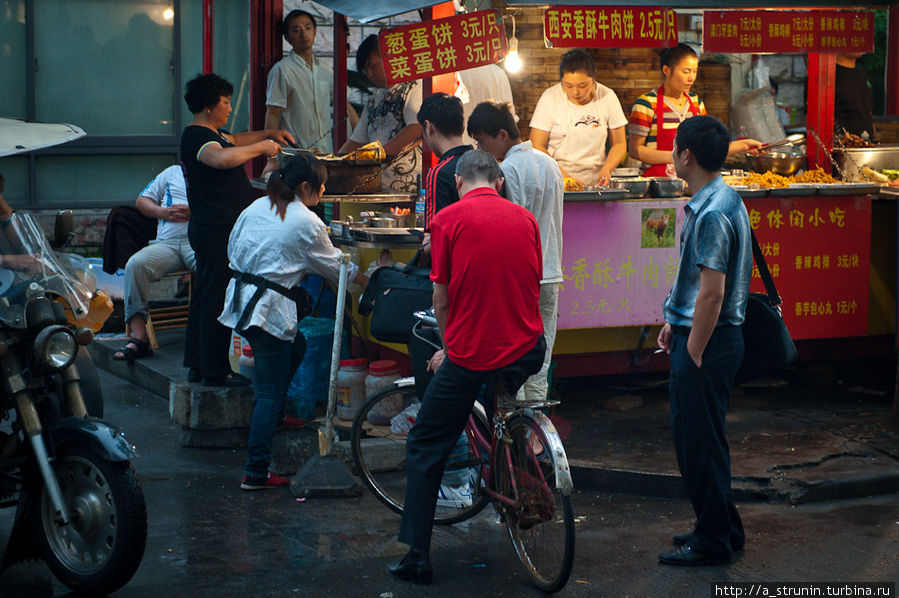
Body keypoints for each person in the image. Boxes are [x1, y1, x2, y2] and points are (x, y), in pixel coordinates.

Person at [389, 150, 546, 584]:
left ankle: (417, 556)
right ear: (497, 181)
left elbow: (440, 299)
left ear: (458, 182)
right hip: (529, 348)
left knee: (424, 443)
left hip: (474, 352)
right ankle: (511, 468)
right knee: (501, 398)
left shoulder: (448, 221)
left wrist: (451, 347)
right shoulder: (526, 219)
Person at [218, 153, 369, 490]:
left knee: (297, 345)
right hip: (267, 308)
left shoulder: (255, 207)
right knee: (268, 393)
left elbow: (233, 248)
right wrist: (371, 278)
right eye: (321, 185)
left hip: (240, 299)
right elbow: (336, 268)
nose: (324, 189)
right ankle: (255, 472)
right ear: (305, 186)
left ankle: (276, 414)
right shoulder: (307, 221)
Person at [655, 115, 751, 566]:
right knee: (707, 439)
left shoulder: (712, 212)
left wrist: (692, 350)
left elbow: (712, 293)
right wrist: (675, 318)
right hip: (709, 337)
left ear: (686, 156)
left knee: (697, 442)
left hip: (709, 344)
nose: (673, 155)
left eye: (674, 148)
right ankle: (723, 527)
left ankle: (712, 540)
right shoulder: (724, 197)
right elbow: (697, 286)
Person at [180, 73, 293, 387]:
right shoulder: (197, 139)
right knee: (216, 298)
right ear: (208, 105)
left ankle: (199, 365)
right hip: (215, 229)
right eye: (225, 102)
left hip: (214, 228)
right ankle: (215, 371)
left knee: (205, 295)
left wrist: (270, 134)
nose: (229, 108)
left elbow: (235, 140)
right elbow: (220, 158)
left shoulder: (211, 133)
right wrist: (261, 148)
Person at [467, 100, 563, 403]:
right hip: (550, 270)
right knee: (541, 354)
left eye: (482, 140)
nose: (480, 147)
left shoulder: (504, 170)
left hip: (520, 277)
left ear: (502, 135)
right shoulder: (550, 163)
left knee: (516, 354)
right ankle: (536, 425)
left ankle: (516, 431)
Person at [629, 44, 762, 177]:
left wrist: (744, 145)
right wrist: (678, 158)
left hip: (693, 183)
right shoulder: (646, 104)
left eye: (694, 71)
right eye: (686, 72)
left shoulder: (696, 103)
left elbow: (707, 147)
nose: (691, 78)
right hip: (659, 184)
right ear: (666, 70)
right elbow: (635, 150)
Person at [113, 165, 196, 361]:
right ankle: (139, 338)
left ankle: (210, 335)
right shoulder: (172, 172)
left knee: (212, 269)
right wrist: (163, 212)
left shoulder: (216, 171)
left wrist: (195, 213)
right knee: (135, 264)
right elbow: (142, 200)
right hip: (167, 244)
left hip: (197, 242)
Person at [263, 9, 359, 175]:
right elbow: (272, 115)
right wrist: (271, 159)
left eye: (307, 28)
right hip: (294, 156)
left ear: (315, 31)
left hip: (326, 154)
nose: (303, 34)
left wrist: (361, 136)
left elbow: (343, 104)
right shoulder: (282, 70)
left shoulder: (325, 70)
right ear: (287, 38)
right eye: (296, 30)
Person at [529, 49, 627, 187]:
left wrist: (607, 168)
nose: (575, 92)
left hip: (597, 181)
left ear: (593, 80)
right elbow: (536, 144)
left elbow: (619, 143)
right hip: (558, 179)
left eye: (583, 85)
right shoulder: (550, 97)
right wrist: (566, 178)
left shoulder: (607, 96)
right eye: (568, 86)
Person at [338, 35, 422, 193]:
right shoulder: (373, 100)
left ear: (389, 58)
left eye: (373, 66)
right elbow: (356, 142)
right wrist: (334, 164)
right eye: (365, 71)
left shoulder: (415, 86)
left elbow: (417, 128)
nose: (369, 74)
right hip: (378, 187)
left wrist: (378, 155)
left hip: (409, 188)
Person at [416, 92, 472, 230]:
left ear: (429, 128)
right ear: (463, 127)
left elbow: (434, 236)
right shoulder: (490, 165)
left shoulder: (439, 173)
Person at [455, 63, 516, 147]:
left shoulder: (450, 72)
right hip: (491, 151)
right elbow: (510, 120)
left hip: (457, 150)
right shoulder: (496, 72)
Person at [835, 52, 876, 140]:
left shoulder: (862, 73)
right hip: (842, 146)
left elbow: (868, 110)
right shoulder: (826, 74)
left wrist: (874, 134)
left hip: (867, 145)